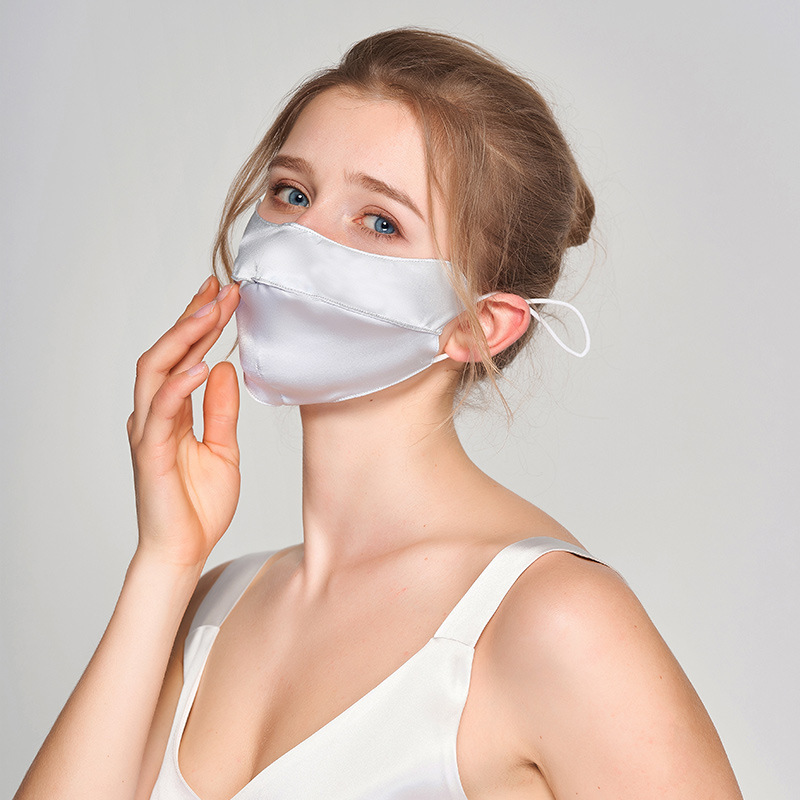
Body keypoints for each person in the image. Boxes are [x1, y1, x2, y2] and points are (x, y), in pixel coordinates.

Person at [15, 28, 743, 800]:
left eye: (380, 221)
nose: (299, 237)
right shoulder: (211, 602)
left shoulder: (557, 622)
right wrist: (164, 561)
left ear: (478, 326)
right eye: (292, 193)